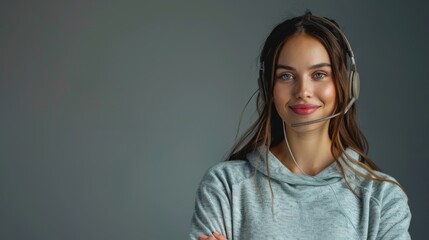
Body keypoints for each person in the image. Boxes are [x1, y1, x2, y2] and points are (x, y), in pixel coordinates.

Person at [189, 11, 411, 240]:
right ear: (268, 88)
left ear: (347, 85)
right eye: (286, 76)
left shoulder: (382, 198)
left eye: (319, 74)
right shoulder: (226, 187)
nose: (302, 91)